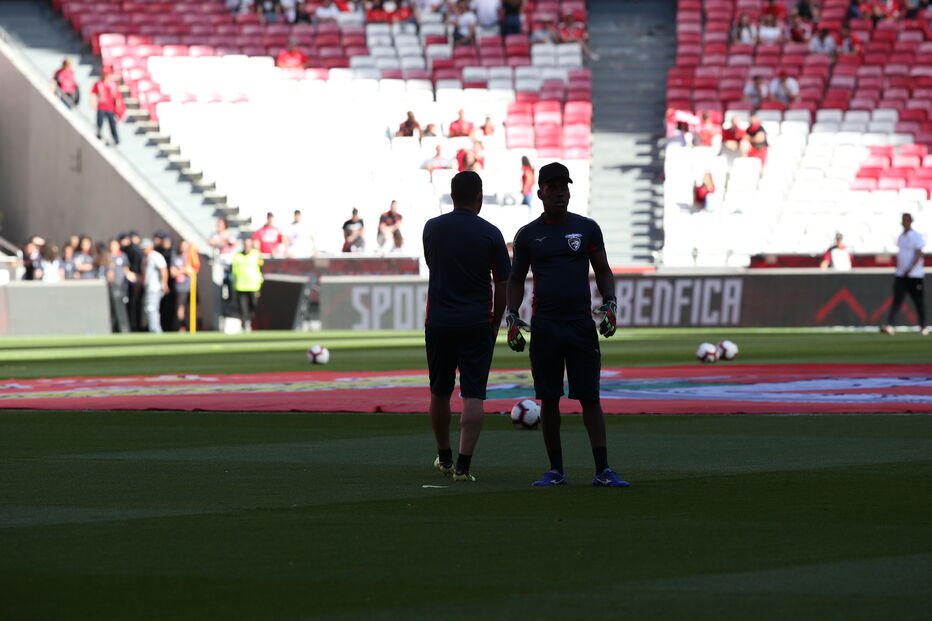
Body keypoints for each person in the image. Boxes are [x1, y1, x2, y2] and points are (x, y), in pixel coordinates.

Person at [505, 162, 628, 488]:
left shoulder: (587, 228)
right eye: (554, 187)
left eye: (565, 187)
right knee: (549, 398)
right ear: (541, 191)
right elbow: (516, 278)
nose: (561, 193)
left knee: (590, 397)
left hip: (580, 324)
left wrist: (610, 301)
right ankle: (555, 470)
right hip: (545, 325)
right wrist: (511, 314)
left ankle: (603, 469)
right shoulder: (528, 234)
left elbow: (603, 269)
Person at [422, 170, 511, 481]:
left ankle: (444, 456)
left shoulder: (432, 228)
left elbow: (434, 264)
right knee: (473, 395)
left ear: (452, 194)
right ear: (479, 197)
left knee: (439, 391)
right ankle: (463, 465)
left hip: (439, 321)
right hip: (476, 322)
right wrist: (495, 323)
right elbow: (503, 283)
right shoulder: (491, 233)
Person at [883, 213, 927, 335]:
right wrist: (902, 269)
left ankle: (923, 326)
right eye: (903, 220)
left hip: (914, 275)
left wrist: (911, 268)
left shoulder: (916, 236)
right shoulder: (901, 237)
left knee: (918, 302)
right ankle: (891, 325)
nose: (904, 222)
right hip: (901, 275)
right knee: (897, 300)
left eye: (906, 220)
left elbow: (919, 253)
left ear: (910, 221)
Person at [232, 237, 263, 331]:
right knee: (243, 307)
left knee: (254, 305)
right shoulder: (237, 256)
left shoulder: (256, 255)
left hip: (253, 285)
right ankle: (245, 325)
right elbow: (234, 270)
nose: (247, 246)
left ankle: (253, 323)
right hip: (240, 286)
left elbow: (261, 267)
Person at [89, 67, 124, 145]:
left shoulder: (113, 84)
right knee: (100, 121)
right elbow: (93, 94)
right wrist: (92, 103)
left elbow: (117, 96)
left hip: (110, 108)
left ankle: (116, 138)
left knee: (112, 124)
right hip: (101, 106)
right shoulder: (98, 84)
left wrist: (118, 107)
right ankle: (99, 133)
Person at [141, 238, 168, 333]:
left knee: (152, 308)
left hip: (155, 287)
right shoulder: (146, 257)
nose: (143, 250)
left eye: (145, 248)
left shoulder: (156, 256)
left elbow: (163, 269)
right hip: (149, 287)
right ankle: (153, 328)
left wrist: (164, 284)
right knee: (149, 308)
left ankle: (156, 330)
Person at [208, 216, 237, 305]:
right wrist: (222, 242)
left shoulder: (229, 234)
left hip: (228, 262)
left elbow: (232, 243)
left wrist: (220, 243)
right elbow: (210, 242)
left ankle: (229, 301)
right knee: (219, 282)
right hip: (218, 262)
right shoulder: (215, 234)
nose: (219, 226)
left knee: (229, 281)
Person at [171, 240, 194, 331]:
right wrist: (184, 270)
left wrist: (182, 270)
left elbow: (193, 269)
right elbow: (173, 272)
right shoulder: (175, 256)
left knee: (195, 305)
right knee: (180, 306)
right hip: (181, 286)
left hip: (191, 285)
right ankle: (182, 325)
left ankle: (197, 324)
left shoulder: (190, 256)